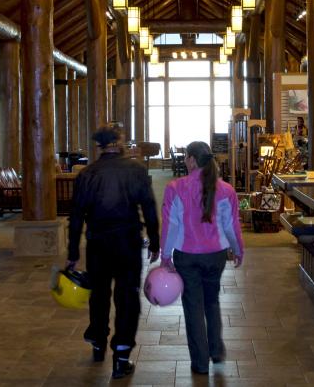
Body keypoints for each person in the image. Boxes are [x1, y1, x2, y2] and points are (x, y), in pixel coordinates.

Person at [66, 126, 160, 379]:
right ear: (118, 142)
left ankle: (97, 341)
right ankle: (121, 354)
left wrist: (73, 251)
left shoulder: (87, 174)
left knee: (99, 294)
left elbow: (76, 216)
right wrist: (154, 241)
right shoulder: (136, 170)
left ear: (99, 145)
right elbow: (148, 207)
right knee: (127, 296)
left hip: (97, 243)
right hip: (127, 242)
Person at [159, 141, 244, 375]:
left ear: (193, 160)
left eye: (186, 157)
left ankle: (199, 363)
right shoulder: (226, 190)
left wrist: (165, 256)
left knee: (193, 306)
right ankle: (216, 351)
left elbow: (171, 225)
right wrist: (238, 249)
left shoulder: (176, 187)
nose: (185, 160)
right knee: (212, 301)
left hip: (187, 256)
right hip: (215, 255)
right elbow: (231, 225)